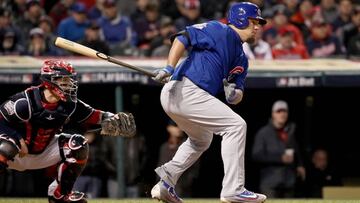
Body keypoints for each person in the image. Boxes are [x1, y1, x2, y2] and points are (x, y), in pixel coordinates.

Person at [151, 2, 267, 203]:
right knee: (236, 126)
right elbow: (182, 37)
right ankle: (234, 189)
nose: (258, 27)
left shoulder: (242, 58)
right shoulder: (218, 29)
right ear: (240, 19)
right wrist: (169, 67)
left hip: (186, 96)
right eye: (253, 21)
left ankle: (166, 182)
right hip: (185, 90)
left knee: (202, 138)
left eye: (259, 23)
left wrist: (233, 93)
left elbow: (237, 95)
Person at [0, 59, 136, 203]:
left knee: (78, 144)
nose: (69, 84)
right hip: (18, 153)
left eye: (70, 80)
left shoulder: (69, 104)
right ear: (49, 81)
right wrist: (17, 138)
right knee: (6, 147)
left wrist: (112, 118)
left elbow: (93, 115)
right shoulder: (24, 102)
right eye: (64, 80)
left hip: (44, 152)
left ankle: (60, 194)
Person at [252, 100, 306, 198]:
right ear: (273, 114)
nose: (282, 114)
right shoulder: (263, 133)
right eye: (279, 111)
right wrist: (280, 158)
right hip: (270, 183)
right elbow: (256, 155)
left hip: (289, 181)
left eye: (285, 111)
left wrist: (299, 165)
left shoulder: (290, 131)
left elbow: (296, 150)